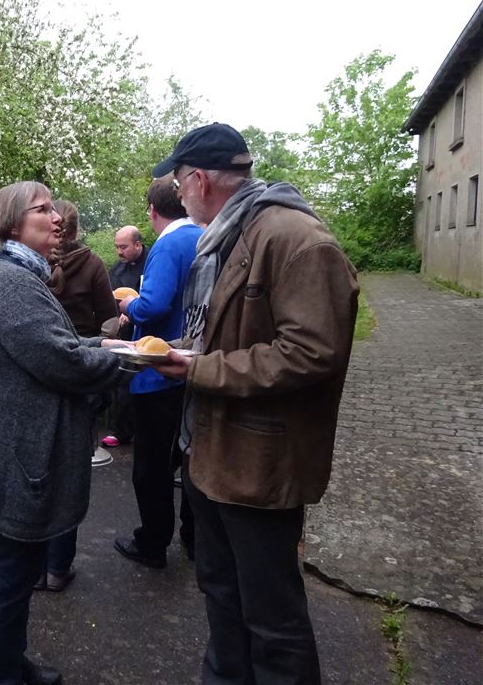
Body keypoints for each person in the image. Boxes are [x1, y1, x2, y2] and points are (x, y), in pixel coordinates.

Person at [152, 123, 359, 685]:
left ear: (198, 180)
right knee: (221, 592)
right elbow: (225, 333)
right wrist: (180, 350)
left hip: (257, 465)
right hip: (208, 450)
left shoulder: (295, 238)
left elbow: (312, 352)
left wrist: (199, 368)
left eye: (178, 181)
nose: (177, 193)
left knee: (272, 617)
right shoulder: (224, 237)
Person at [0, 182, 122, 685]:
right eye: (42, 210)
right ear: (10, 224)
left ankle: (9, 664)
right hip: (16, 458)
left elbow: (56, 342)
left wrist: (109, 348)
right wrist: (126, 360)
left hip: (11, 450)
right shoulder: (9, 282)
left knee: (17, 573)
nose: (56, 217)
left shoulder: (14, 273)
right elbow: (62, 362)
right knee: (10, 576)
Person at [112, 176, 200, 569]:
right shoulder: (204, 236)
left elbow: (153, 306)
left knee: (151, 467)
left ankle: (152, 543)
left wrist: (128, 305)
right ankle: (194, 539)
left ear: (152, 210)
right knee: (190, 459)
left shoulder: (168, 244)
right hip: (196, 365)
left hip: (159, 369)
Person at [34, 198, 119, 594]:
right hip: (81, 374)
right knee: (70, 475)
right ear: (77, 228)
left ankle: (33, 566)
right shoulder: (94, 265)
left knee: (37, 470)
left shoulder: (30, 266)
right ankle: (57, 568)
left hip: (39, 374)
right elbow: (110, 319)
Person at [102, 225, 148, 447]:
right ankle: (121, 431)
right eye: (117, 247)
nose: (119, 252)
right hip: (124, 332)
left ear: (137, 245)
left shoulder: (152, 262)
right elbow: (110, 297)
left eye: (124, 247)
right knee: (123, 380)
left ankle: (144, 430)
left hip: (147, 328)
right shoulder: (116, 269)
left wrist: (133, 312)